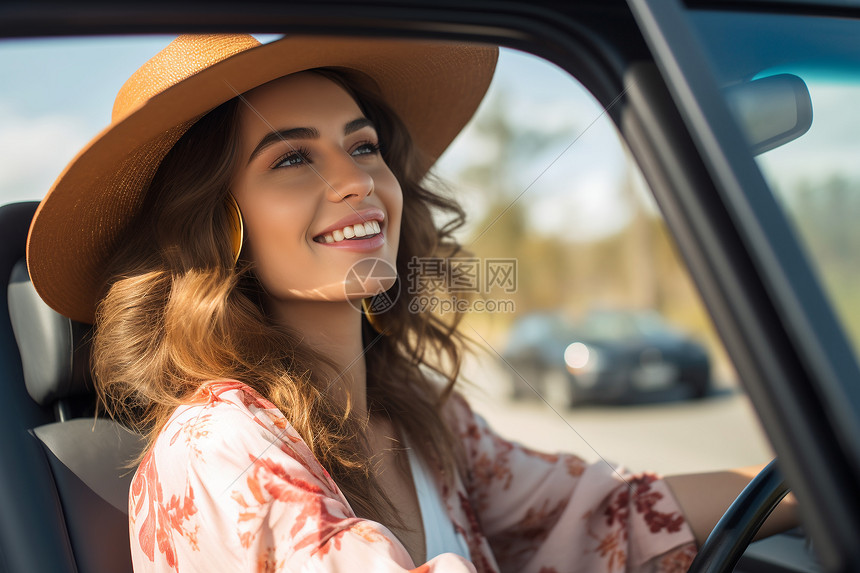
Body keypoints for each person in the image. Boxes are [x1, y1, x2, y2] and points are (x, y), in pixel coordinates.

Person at [26, 34, 796, 572]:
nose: (360, 178)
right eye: (293, 157)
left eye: (363, 146)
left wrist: (814, 476)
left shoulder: (422, 417)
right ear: (213, 228)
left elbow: (604, 513)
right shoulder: (215, 444)